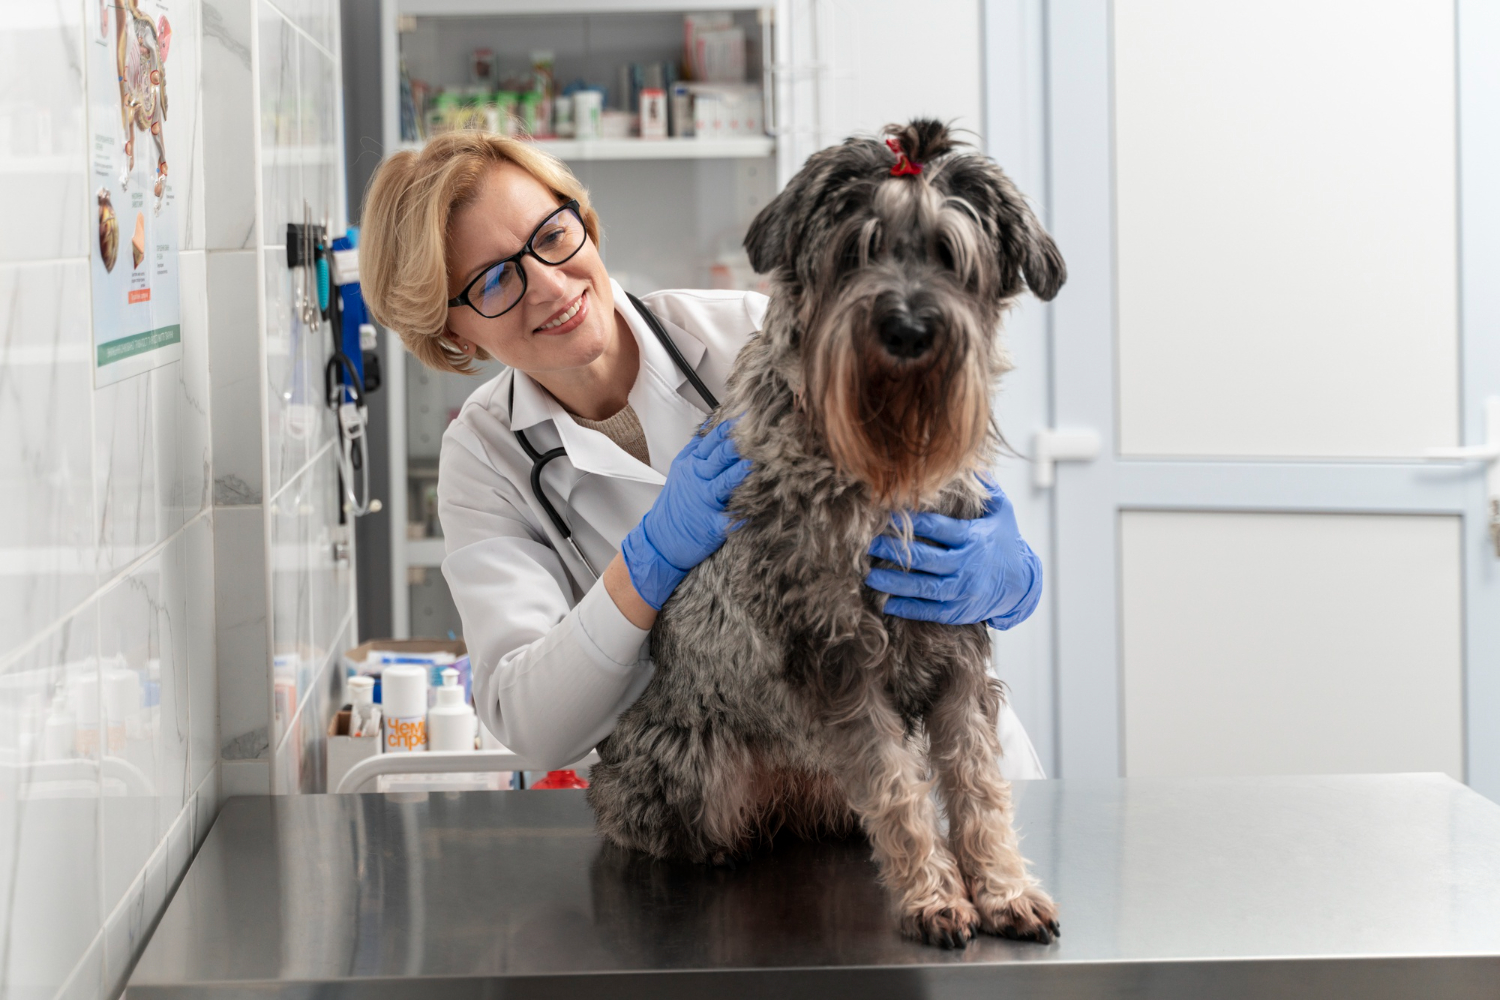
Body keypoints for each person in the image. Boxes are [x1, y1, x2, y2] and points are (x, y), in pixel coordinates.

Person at [359, 131, 1046, 777]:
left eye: (552, 235)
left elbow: (943, 488)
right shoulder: (485, 457)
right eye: (493, 281)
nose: (548, 283)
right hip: (732, 805)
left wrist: (1009, 578)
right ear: (452, 332)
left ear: (585, 223)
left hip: (941, 776)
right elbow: (533, 727)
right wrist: (648, 560)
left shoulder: (754, 335)